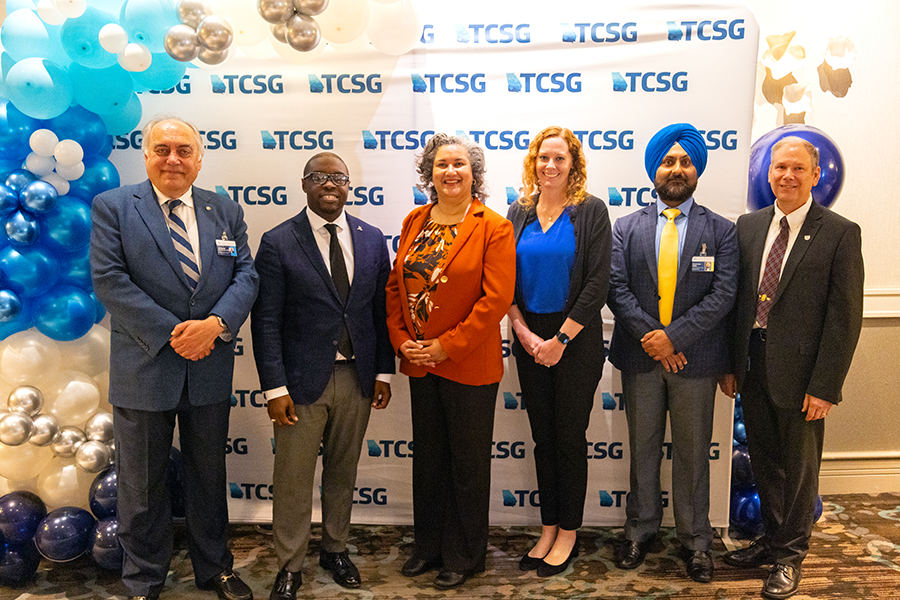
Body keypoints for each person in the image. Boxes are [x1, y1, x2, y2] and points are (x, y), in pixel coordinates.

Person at [90, 117, 258, 600]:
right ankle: (143, 579)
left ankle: (215, 568)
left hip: (208, 365)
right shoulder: (115, 207)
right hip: (144, 367)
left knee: (209, 478)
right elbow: (110, 281)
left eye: (184, 150)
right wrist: (175, 334)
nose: (173, 159)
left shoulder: (223, 209)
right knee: (142, 486)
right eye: (162, 149)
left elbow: (245, 275)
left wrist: (216, 325)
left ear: (199, 159)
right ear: (146, 156)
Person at [720, 136, 863, 600]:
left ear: (815, 175)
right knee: (765, 461)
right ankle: (771, 539)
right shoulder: (748, 226)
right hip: (752, 364)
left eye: (799, 169)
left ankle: (789, 557)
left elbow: (844, 319)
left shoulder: (840, 232)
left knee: (799, 471)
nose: (788, 176)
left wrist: (825, 387)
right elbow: (738, 304)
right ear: (769, 173)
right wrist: (731, 365)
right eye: (781, 167)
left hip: (804, 377)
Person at [251, 152, 394, 599]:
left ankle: (334, 548)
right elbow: (266, 321)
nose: (329, 184)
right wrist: (274, 388)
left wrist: (384, 373)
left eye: (338, 178)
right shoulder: (278, 241)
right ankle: (290, 565)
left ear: (349, 185)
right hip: (299, 384)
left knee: (343, 471)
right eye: (319, 177)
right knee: (293, 478)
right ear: (304, 184)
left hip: (357, 378)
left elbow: (379, 311)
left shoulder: (371, 239)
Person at [607, 123, 738, 584]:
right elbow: (617, 290)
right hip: (642, 359)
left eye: (685, 161)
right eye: (668, 161)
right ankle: (639, 530)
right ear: (654, 170)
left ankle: (696, 540)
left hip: (696, 362)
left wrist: (674, 339)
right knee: (641, 450)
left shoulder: (721, 230)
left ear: (697, 169)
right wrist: (655, 339)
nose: (676, 169)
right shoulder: (625, 228)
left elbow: (723, 295)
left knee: (692, 454)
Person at [385, 133, 516, 589]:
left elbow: (495, 299)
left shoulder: (493, 226)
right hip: (420, 361)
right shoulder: (414, 220)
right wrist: (402, 340)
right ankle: (429, 546)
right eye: (441, 165)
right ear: (430, 173)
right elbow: (395, 286)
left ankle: (464, 555)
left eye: (459, 164)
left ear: (473, 172)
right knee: (431, 459)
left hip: (468, 363)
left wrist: (447, 345)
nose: (450, 172)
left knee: (467, 463)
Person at [505, 126, 611, 577]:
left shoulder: (591, 211)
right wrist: (524, 334)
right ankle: (547, 526)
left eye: (560, 159)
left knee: (569, 440)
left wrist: (560, 340)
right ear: (534, 163)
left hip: (576, 341)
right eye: (543, 158)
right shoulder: (518, 211)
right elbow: (502, 279)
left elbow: (597, 284)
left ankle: (569, 531)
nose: (550, 166)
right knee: (542, 439)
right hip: (529, 338)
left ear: (574, 165)